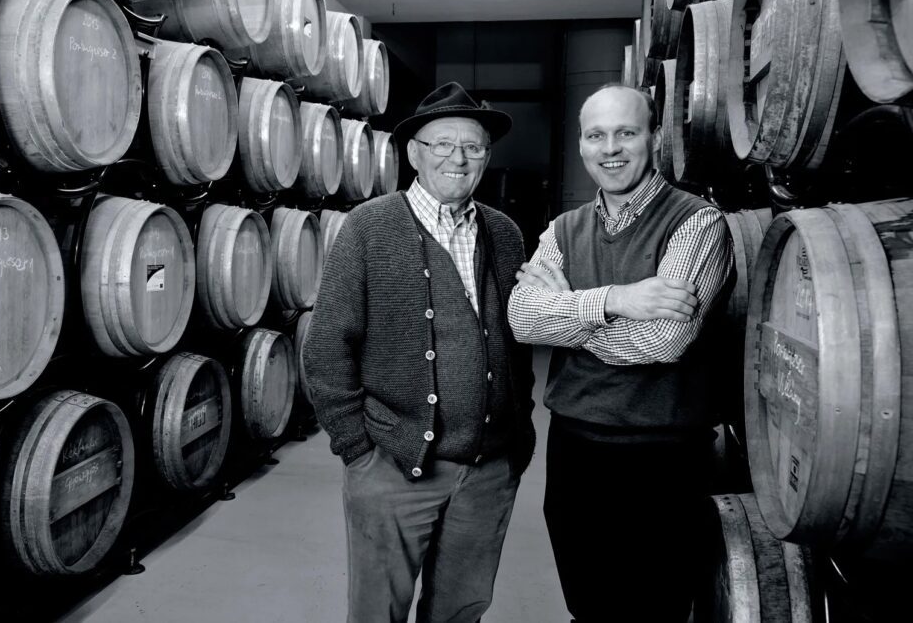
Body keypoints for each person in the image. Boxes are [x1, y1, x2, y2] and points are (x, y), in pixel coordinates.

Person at [303, 81, 536, 623]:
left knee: (461, 610)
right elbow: (326, 348)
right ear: (414, 153)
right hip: (394, 465)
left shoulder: (504, 234)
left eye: (473, 147)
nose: (458, 158)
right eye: (442, 144)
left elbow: (517, 343)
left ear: (486, 157)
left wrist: (517, 438)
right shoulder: (368, 227)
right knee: (377, 612)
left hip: (487, 468)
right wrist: (358, 449)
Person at [508, 84, 734, 622]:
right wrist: (616, 300)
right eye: (596, 135)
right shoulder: (564, 228)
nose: (611, 148)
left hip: (662, 454)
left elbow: (663, 341)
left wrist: (567, 310)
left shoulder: (696, 222)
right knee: (588, 603)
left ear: (653, 138)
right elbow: (521, 319)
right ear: (582, 146)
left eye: (626, 133)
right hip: (575, 445)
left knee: (654, 607)